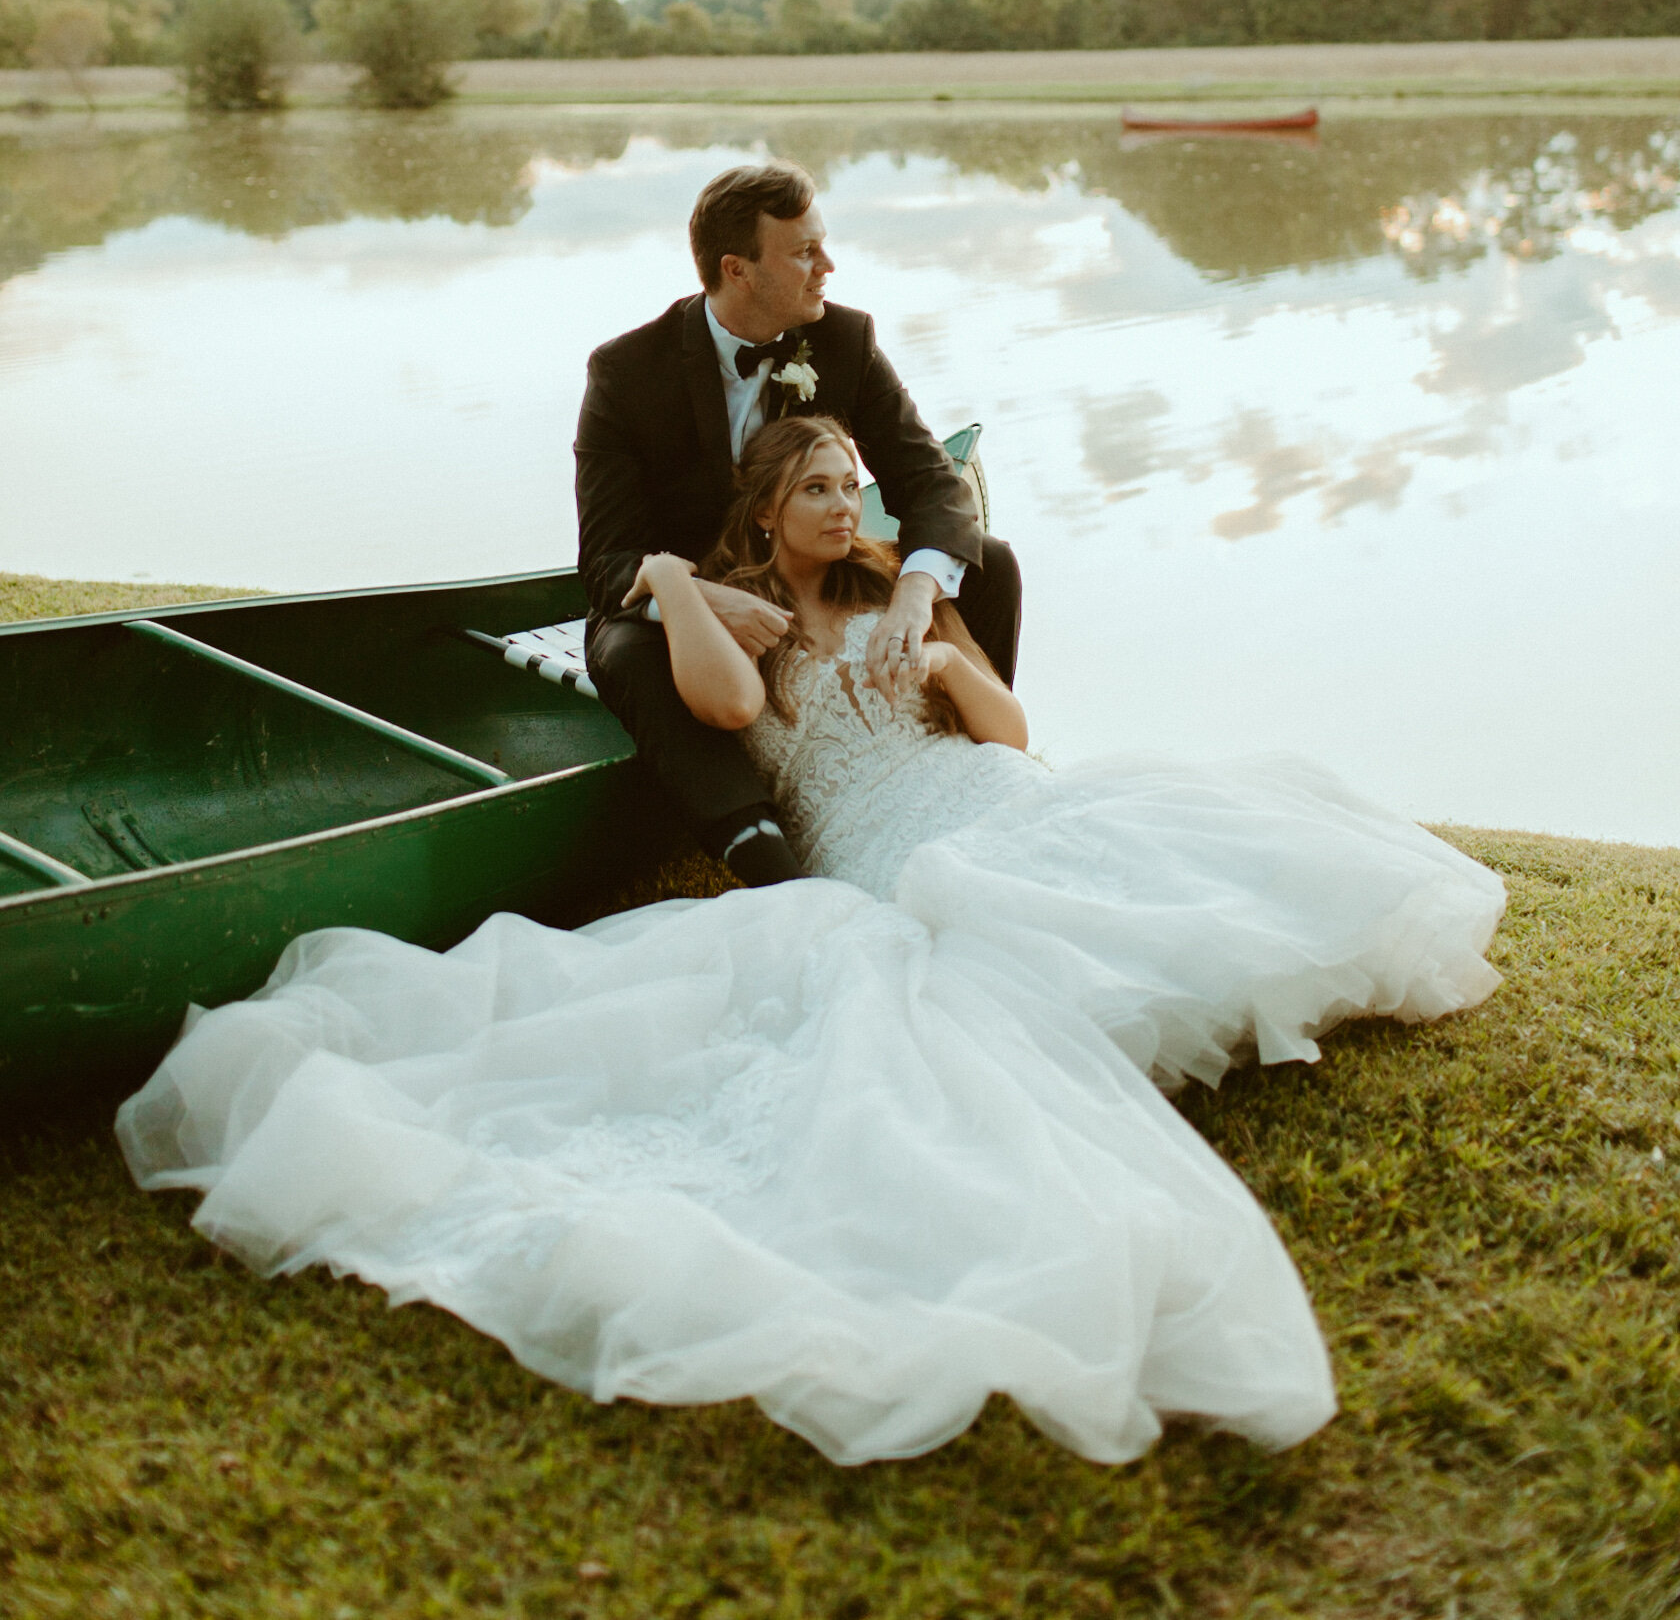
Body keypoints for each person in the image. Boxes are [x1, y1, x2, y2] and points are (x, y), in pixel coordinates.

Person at [118, 413, 1505, 1469]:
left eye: (856, 483)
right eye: (822, 488)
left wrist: (950, 659)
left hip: (992, 787)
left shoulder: (903, 588)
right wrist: (669, 577)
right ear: (769, 510)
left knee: (1152, 836)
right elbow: (721, 712)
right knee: (990, 927)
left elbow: (1010, 733)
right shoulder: (748, 621)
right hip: (889, 841)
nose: (849, 504)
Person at [574, 160, 1021, 886]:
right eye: (804, 251)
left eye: (824, 244)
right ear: (737, 269)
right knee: (624, 647)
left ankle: (951, 744)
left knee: (989, 564)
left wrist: (913, 597)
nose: (828, 266)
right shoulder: (627, 372)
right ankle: (757, 842)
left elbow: (931, 482)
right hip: (693, 592)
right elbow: (604, 559)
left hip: (805, 563)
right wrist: (704, 598)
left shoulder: (844, 339)